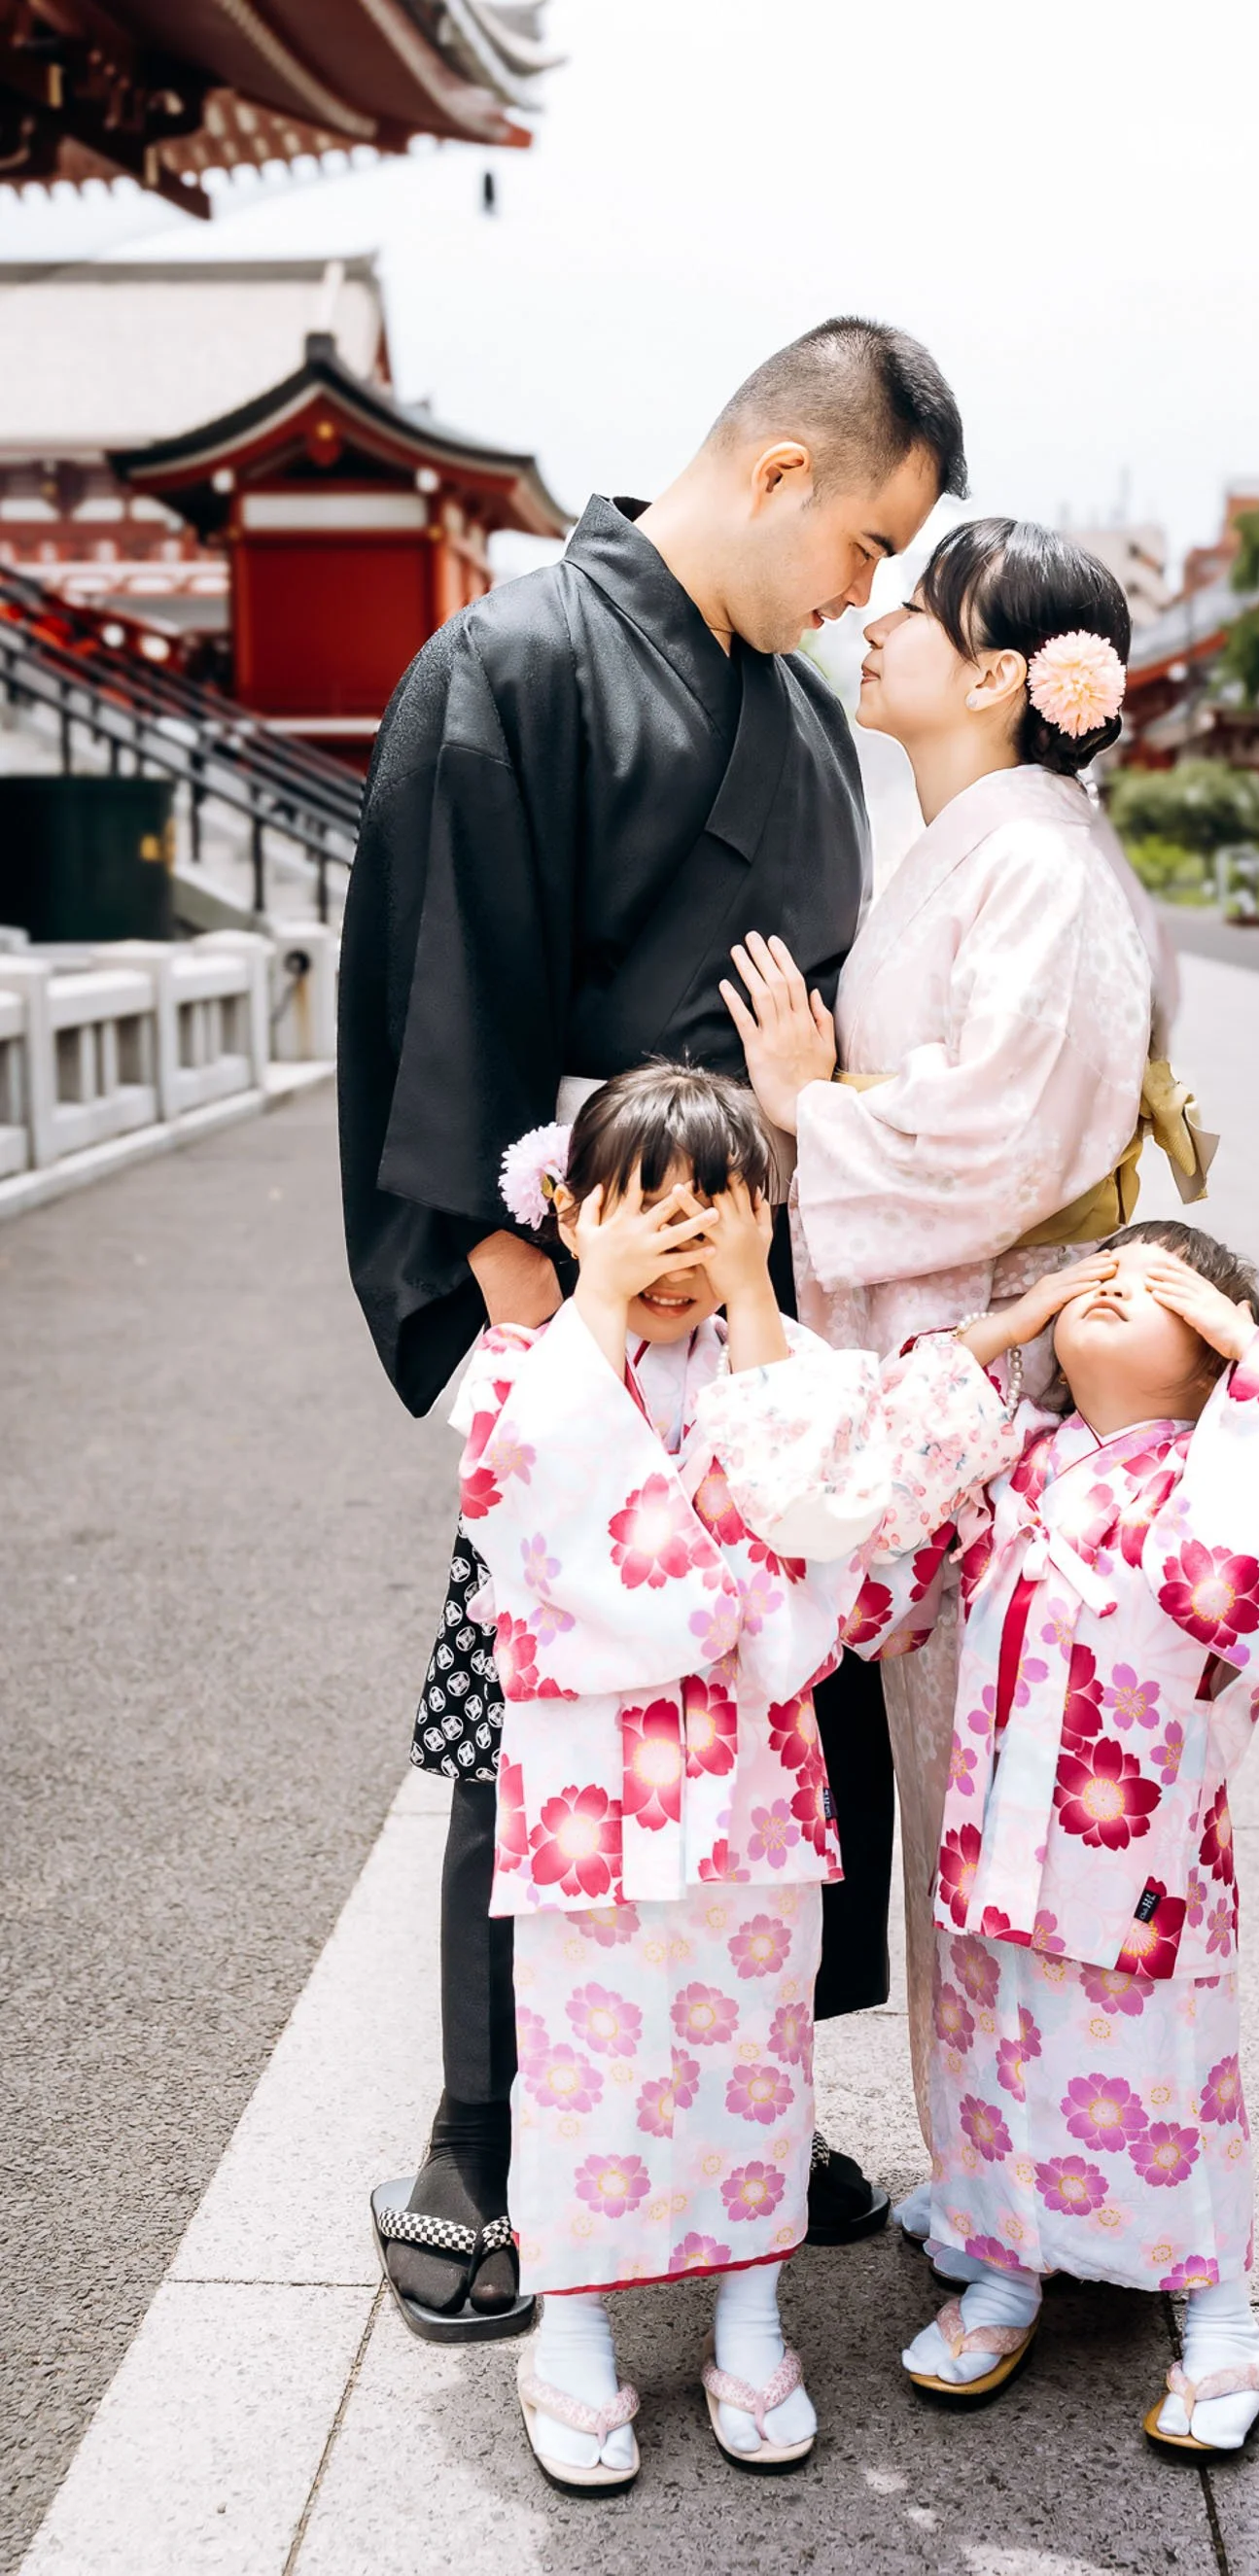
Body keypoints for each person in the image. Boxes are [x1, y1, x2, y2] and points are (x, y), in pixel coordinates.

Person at [341, 319, 967, 2333]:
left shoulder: (784, 712)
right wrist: (539, 1349)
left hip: (755, 1314)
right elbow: (448, 1020)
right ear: (783, 477)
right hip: (585, 1297)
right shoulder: (516, 663)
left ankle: (736, 2100)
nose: (863, 594)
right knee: (539, 1710)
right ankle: (478, 2119)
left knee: (767, 1720)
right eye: (867, 544)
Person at [449, 1065, 1015, 2487]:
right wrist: (594, 1303)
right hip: (590, 1802)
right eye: (641, 1203)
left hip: (750, 1788)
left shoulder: (791, 1370)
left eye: (715, 1205)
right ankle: (570, 2326)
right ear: (573, 1214)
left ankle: (751, 2314)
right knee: (587, 2069)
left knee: (751, 2066)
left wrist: (757, 1304)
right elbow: (545, 1540)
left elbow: (824, 1536)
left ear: (763, 1222)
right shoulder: (525, 1365)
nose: (677, 1235)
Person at [719, 518, 1168, 2166]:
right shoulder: (971, 841)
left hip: (1011, 1387)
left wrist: (804, 1110)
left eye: (917, 611)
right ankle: (1000, 2190)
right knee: (970, 1794)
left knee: (1012, 1800)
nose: (877, 624)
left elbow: (1002, 1138)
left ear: (997, 677)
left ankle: (1047, 2204)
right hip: (949, 1377)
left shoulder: (1033, 858)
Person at [852, 1223, 1259, 2453]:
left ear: (1213, 1366)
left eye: (1159, 1289)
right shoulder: (1013, 1463)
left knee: (1162, 2069)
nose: (1114, 1286)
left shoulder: (1221, 1477)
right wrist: (1002, 1330)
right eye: (1098, 1273)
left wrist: (1253, 1347)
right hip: (998, 1837)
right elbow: (881, 1505)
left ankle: (1217, 2310)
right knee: (993, 2049)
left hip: (1140, 1852)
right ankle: (1005, 2265)